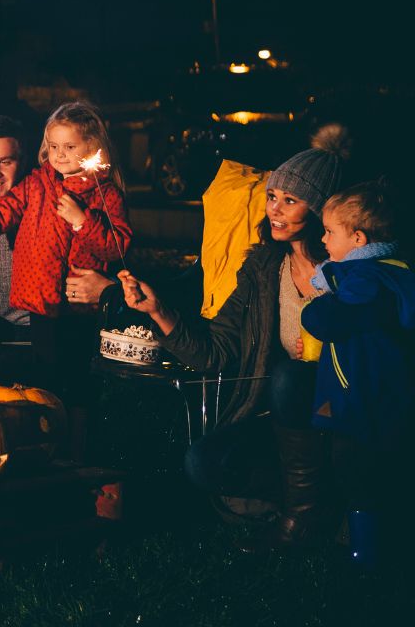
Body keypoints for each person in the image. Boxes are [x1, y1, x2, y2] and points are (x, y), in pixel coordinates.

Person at [118, 124, 350, 550]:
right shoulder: (264, 269)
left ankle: (299, 521)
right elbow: (215, 352)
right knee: (202, 462)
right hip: (282, 427)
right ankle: (321, 505)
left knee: (291, 379)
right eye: (273, 196)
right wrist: (158, 311)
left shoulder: (349, 272)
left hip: (342, 417)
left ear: (319, 212)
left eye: (291, 200)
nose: (275, 210)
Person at [0, 102, 130, 410]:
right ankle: (44, 436)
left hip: (80, 307)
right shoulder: (36, 184)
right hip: (40, 300)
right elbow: (2, 211)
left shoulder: (105, 194)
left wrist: (82, 221)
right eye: (54, 146)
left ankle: (76, 446)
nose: (59, 154)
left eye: (70, 146)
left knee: (77, 382)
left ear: (93, 146)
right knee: (45, 379)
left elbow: (116, 246)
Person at [302, 180, 415, 565]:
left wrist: (313, 309)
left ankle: (364, 554)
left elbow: (333, 320)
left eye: (329, 231)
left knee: (357, 472)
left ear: (357, 238)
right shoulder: (390, 272)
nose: (322, 239)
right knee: (370, 471)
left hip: (360, 400)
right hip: (378, 395)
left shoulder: (364, 280)